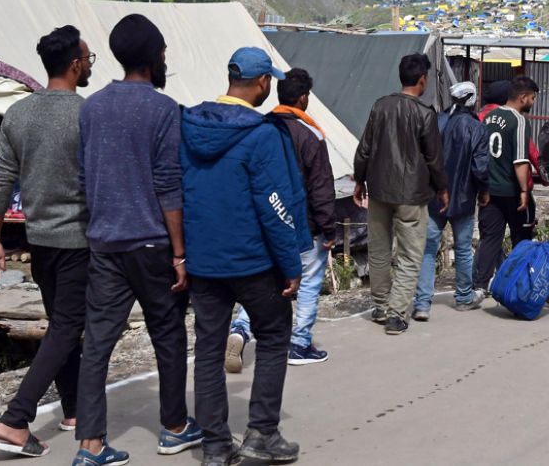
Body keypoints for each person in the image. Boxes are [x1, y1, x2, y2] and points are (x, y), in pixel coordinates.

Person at [74, 14, 200, 465]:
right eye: (163, 52)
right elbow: (169, 184)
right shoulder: (163, 109)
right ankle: (173, 428)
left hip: (104, 242)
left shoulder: (92, 106)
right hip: (151, 243)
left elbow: (85, 177)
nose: (165, 59)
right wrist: (181, 253)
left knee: (98, 343)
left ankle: (89, 446)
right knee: (166, 335)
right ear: (153, 57)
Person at [181, 48, 307, 465]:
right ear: (262, 83)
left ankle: (216, 446)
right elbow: (275, 206)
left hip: (203, 260)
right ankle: (262, 433)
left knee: (209, 348)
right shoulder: (262, 134)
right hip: (253, 261)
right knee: (273, 336)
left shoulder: (190, 124)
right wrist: (290, 265)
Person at [0, 27, 93, 458]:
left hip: (39, 238)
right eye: (87, 59)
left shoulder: (18, 113)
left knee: (61, 326)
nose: (88, 65)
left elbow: (3, 178)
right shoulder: (86, 113)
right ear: (74, 64)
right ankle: (15, 418)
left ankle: (74, 410)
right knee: (68, 326)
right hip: (78, 239)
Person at [226, 68, 338, 372]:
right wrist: (329, 228)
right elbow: (320, 187)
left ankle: (240, 328)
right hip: (304, 227)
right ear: (303, 98)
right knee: (309, 282)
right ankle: (300, 343)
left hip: (266, 222)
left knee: (267, 282)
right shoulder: (311, 134)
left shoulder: (261, 128)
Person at [353, 53, 448, 336]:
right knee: (410, 254)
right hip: (411, 194)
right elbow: (434, 159)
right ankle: (396, 315)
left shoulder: (380, 106)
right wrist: (443, 188)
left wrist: (359, 180)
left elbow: (365, 148)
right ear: (422, 80)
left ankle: (381, 307)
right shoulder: (425, 113)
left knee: (379, 251)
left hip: (379, 189)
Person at [414, 81, 490, 319]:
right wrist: (484, 191)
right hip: (464, 197)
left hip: (434, 197)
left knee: (428, 250)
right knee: (464, 249)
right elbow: (480, 167)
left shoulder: (436, 121)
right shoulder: (476, 128)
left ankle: (422, 303)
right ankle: (464, 296)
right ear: (471, 100)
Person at [473, 77, 539, 298]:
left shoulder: (487, 117)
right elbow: (520, 161)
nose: (532, 102)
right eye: (532, 98)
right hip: (512, 190)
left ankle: (480, 286)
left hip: (489, 190)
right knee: (521, 238)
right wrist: (523, 191)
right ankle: (519, 284)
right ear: (522, 97)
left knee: (490, 238)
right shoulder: (518, 121)